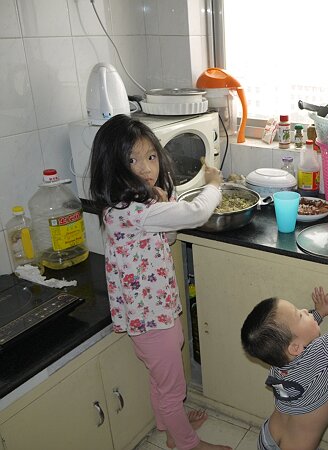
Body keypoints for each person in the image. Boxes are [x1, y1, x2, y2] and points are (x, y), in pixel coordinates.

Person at [88, 114, 230, 450]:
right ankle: (186, 443)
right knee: (171, 386)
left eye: (151, 157)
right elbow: (197, 213)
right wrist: (213, 184)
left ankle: (170, 426)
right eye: (132, 160)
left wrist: (164, 205)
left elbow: (164, 241)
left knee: (163, 379)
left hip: (154, 310)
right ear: (113, 167)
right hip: (152, 316)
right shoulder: (135, 211)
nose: (145, 167)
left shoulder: (126, 206)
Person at [241, 270, 328, 450]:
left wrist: (318, 315)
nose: (305, 310)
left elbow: (296, 338)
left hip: (269, 434)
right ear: (294, 347)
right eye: (300, 315)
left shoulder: (278, 360)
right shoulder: (324, 356)